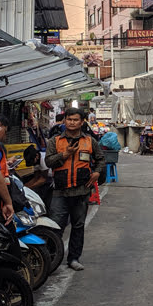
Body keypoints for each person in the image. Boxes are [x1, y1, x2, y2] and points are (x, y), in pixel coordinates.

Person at [45, 107, 105, 271]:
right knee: (56, 227)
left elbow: (101, 159)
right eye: (69, 119)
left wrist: (97, 173)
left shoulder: (89, 141)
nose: (72, 122)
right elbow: (49, 161)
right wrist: (64, 154)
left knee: (78, 227)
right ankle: (51, 260)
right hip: (60, 192)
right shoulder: (55, 141)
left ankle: (74, 259)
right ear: (64, 121)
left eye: (75, 120)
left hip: (81, 192)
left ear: (82, 122)